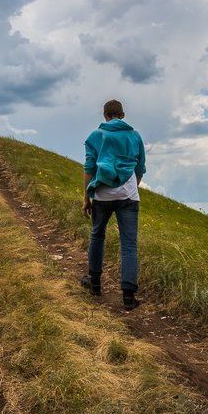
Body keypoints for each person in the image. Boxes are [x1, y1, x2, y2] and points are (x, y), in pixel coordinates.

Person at [81, 99, 146, 310]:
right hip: (128, 195)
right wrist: (130, 189)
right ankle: (128, 297)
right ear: (122, 115)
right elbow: (140, 169)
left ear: (105, 116)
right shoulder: (135, 136)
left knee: (98, 235)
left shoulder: (95, 136)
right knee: (129, 244)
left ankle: (95, 284)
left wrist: (86, 197)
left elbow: (89, 168)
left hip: (101, 194)